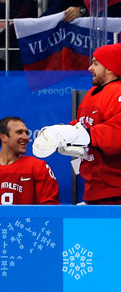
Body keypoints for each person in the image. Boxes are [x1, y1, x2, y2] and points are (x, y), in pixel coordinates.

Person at [33, 44, 121, 204]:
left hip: (116, 190)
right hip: (94, 189)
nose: (90, 68)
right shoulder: (92, 94)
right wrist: (61, 134)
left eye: (95, 63)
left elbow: (117, 133)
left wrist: (80, 135)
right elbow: (81, 124)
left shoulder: (117, 93)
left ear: (110, 67)